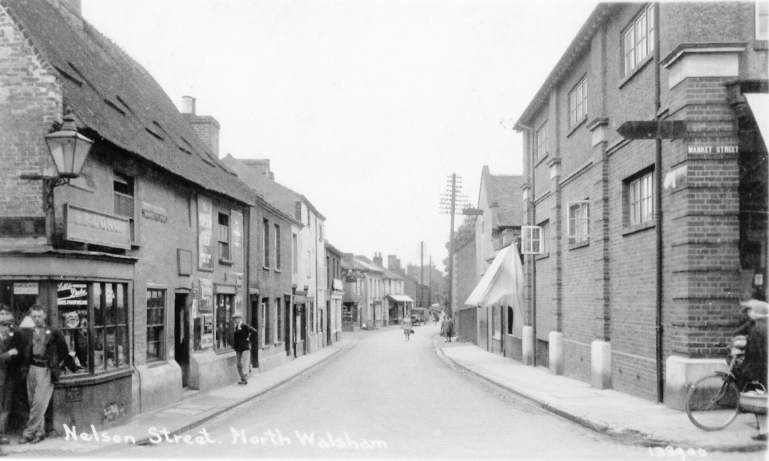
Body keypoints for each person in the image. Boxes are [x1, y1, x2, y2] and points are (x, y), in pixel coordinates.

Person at [16, 305, 72, 444]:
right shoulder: (27, 332)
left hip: (45, 370)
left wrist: (53, 364)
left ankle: (28, 433)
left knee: (39, 403)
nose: (36, 319)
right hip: (31, 368)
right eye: (34, 316)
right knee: (32, 402)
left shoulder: (53, 332)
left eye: (39, 316)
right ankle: (40, 432)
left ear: (45, 316)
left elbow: (63, 351)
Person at [736, 295, 768, 441]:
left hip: (760, 370)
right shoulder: (765, 326)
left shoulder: (756, 330)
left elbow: (756, 354)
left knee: (759, 400)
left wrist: (750, 373)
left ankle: (763, 431)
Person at [0, 307, 18, 446]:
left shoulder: (6, 338)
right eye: (4, 326)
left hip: (7, 379)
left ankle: (2, 435)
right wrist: (9, 353)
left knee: (5, 408)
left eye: (8, 326)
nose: (7, 329)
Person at [232, 313, 258, 385]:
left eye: (236, 319)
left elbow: (254, 332)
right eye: (234, 319)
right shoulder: (236, 327)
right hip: (238, 348)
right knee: (238, 364)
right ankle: (242, 378)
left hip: (245, 347)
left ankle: (245, 377)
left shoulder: (244, 326)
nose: (235, 321)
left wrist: (249, 339)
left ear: (240, 318)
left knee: (244, 363)